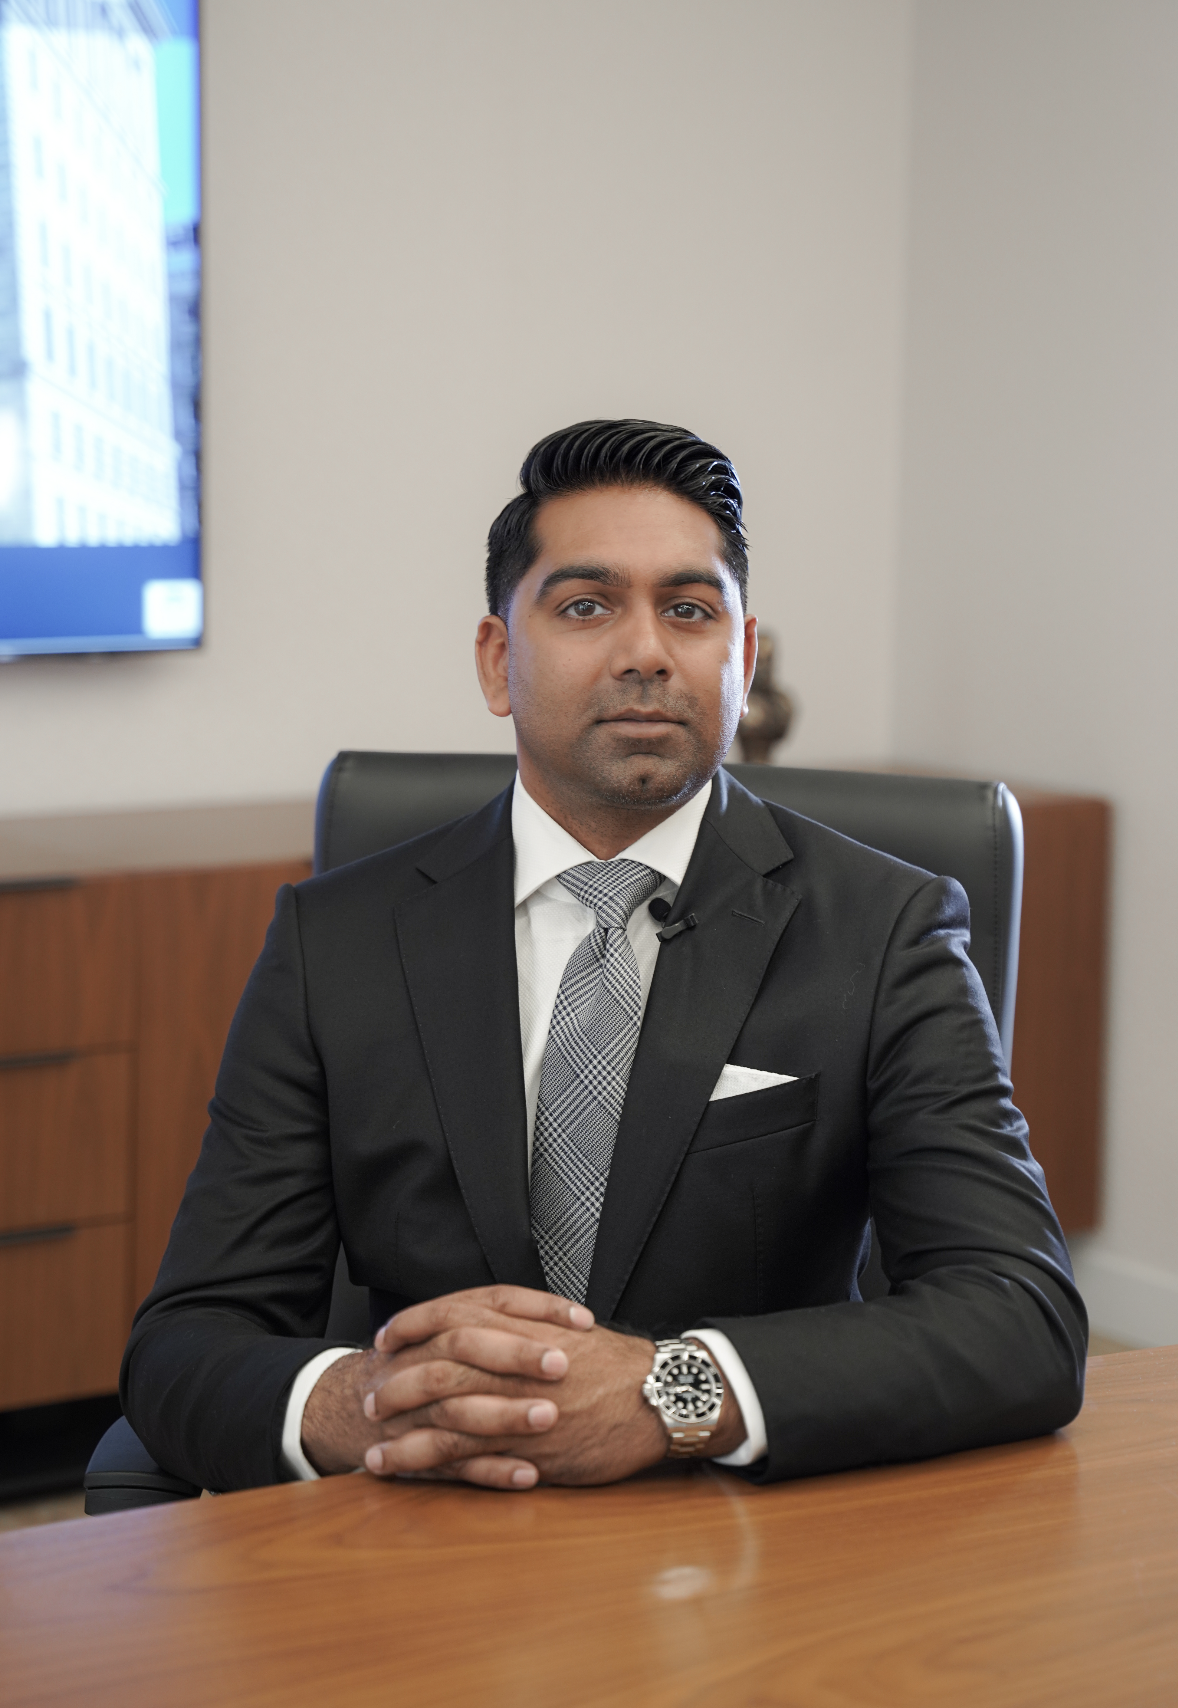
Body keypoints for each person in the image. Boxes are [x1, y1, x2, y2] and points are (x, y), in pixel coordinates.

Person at [122, 419, 1086, 1493]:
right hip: (429, 1524)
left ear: (740, 659)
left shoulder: (884, 927)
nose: (645, 652)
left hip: (751, 1531)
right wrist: (366, 1404)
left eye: (689, 609)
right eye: (586, 606)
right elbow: (187, 1340)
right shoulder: (336, 940)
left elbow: (1021, 1315)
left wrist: (671, 1392)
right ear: (499, 661)